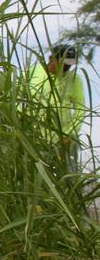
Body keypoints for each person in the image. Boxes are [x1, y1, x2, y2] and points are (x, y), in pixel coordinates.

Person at [24, 44, 88, 173]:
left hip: (65, 140)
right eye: (64, 63)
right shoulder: (34, 71)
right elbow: (18, 98)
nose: (67, 67)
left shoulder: (75, 79)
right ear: (52, 58)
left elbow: (81, 110)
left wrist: (69, 134)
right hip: (35, 137)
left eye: (70, 64)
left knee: (69, 177)